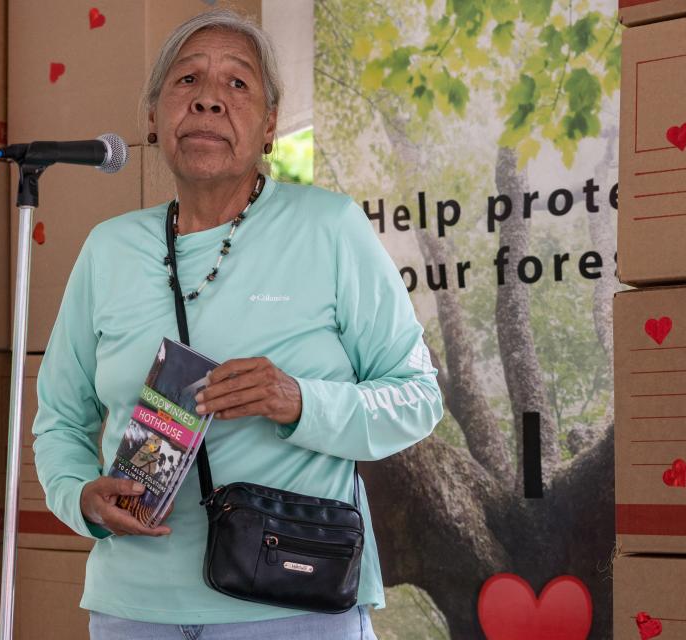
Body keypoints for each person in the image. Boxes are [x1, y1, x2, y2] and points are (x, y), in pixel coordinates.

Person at [31, 9, 443, 639]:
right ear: (152, 116)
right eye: (186, 81)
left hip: (293, 600)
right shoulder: (108, 249)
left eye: (238, 85)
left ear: (271, 124)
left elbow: (417, 398)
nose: (208, 101)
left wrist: (299, 400)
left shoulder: (328, 228)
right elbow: (60, 419)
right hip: (133, 609)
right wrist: (78, 498)